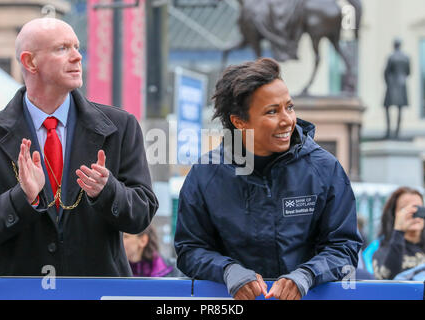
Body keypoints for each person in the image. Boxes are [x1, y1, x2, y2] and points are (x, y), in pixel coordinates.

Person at [0, 18, 158, 276]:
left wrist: (107, 191)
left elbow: (142, 215)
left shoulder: (120, 126)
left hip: (101, 290)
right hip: (24, 293)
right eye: (62, 49)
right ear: (30, 62)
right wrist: (22, 197)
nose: (77, 57)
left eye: (76, 46)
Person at [174, 58, 362, 300]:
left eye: (289, 107)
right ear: (239, 121)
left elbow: (345, 247)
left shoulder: (325, 168)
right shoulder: (205, 173)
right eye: (272, 111)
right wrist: (228, 271)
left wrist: (306, 275)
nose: (287, 120)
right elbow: (189, 249)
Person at [372, 187, 425, 280]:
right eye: (405, 209)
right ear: (393, 215)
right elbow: (387, 279)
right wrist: (399, 231)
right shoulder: (381, 252)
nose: (413, 213)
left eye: (418, 208)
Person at [383, 38, 410, 139]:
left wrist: (388, 82)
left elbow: (386, 72)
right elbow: (408, 72)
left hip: (391, 85)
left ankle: (389, 131)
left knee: (387, 107)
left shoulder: (391, 57)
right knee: (400, 108)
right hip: (402, 84)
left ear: (394, 45)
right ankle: (397, 132)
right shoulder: (406, 57)